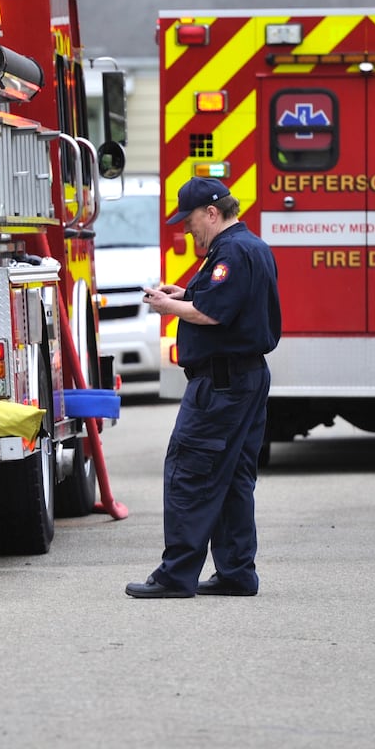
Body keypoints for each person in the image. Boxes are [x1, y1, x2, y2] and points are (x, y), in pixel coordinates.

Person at [125, 176, 281, 599]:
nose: (186, 228)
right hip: (243, 379)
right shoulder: (250, 247)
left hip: (221, 386)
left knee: (189, 472)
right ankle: (236, 572)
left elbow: (213, 314)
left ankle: (175, 576)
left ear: (212, 213)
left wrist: (165, 304)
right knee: (232, 478)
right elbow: (222, 300)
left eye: (190, 220)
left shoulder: (230, 251)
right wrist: (183, 293)